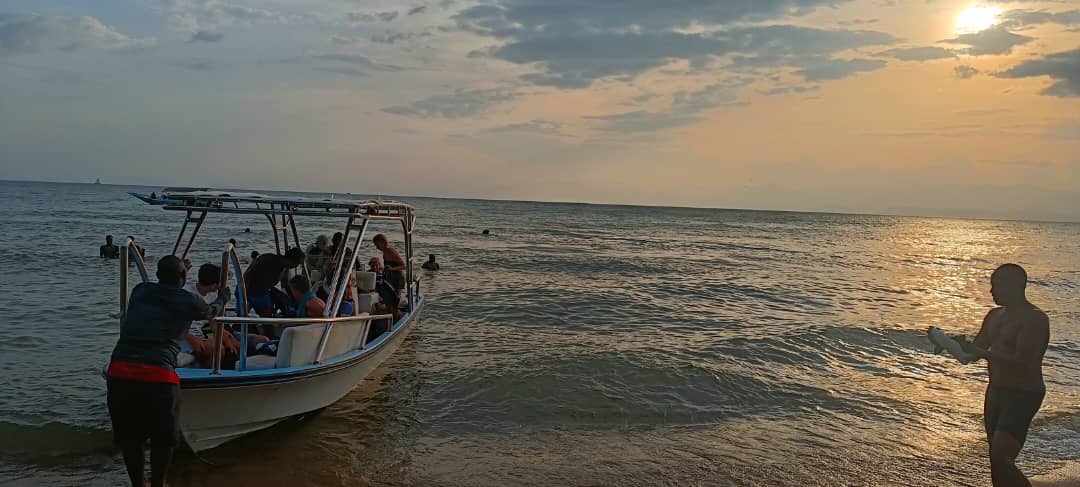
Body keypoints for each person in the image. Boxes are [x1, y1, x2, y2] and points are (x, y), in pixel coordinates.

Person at [106, 256, 229, 487]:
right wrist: (224, 297)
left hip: (119, 371)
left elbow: (164, 286)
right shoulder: (189, 300)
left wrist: (178, 272)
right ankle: (159, 483)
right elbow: (211, 311)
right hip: (158, 375)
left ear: (159, 275)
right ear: (183, 277)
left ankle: (137, 484)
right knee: (163, 440)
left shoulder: (140, 291)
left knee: (131, 439)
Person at [945, 264, 1050, 487]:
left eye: (996, 286)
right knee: (995, 459)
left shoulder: (1035, 319)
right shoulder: (994, 315)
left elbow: (1023, 362)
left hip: (1023, 393)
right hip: (995, 391)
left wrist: (981, 352)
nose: (991, 291)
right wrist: (951, 343)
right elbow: (973, 353)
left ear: (1014, 286)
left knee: (1001, 456)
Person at [243, 247, 305, 318]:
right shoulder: (270, 260)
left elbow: (285, 284)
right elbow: (248, 275)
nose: (297, 266)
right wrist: (245, 295)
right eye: (297, 264)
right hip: (247, 289)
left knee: (268, 319)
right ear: (292, 260)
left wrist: (294, 300)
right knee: (243, 316)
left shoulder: (284, 268)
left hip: (263, 292)